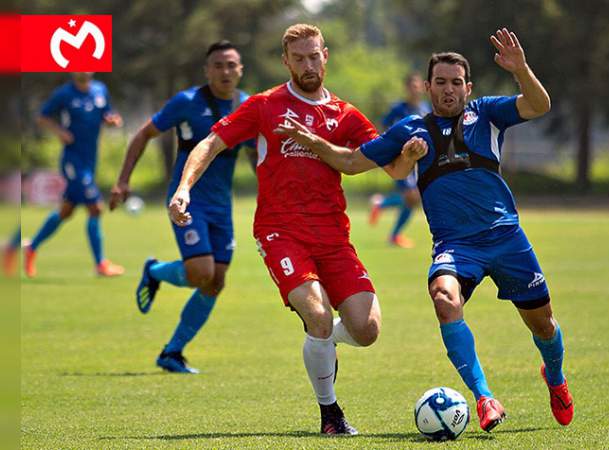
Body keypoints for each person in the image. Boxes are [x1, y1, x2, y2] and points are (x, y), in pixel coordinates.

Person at [275, 28, 574, 433]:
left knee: (543, 324)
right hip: (455, 246)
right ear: (428, 87)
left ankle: (555, 379)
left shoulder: (486, 113)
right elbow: (349, 162)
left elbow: (539, 105)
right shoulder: (410, 131)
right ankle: (484, 398)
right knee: (444, 299)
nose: (448, 90)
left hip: (506, 238)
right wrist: (315, 143)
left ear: (467, 87)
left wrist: (520, 69)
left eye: (455, 83)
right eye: (440, 82)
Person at [166, 24, 423, 435]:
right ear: (286, 61)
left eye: (313, 56)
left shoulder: (344, 114)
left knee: (367, 330)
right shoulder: (266, 105)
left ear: (326, 56)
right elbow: (211, 143)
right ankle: (331, 415)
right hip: (280, 231)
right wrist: (183, 188)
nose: (307, 64)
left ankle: (322, 341)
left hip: (334, 236)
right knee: (318, 315)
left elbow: (390, 167)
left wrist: (409, 156)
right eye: (298, 58)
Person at [109, 41, 256, 374]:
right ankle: (156, 271)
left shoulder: (247, 105)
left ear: (241, 69)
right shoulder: (187, 102)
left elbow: (252, 150)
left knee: (215, 282)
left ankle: (172, 352)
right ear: (207, 71)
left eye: (231, 64)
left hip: (222, 206)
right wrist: (123, 180)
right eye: (218, 65)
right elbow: (143, 134)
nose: (225, 71)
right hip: (186, 200)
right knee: (201, 273)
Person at [24, 72, 124, 277]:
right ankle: (101, 265)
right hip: (72, 160)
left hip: (90, 159)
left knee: (66, 210)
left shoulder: (100, 90)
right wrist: (60, 132)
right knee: (95, 208)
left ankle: (32, 247)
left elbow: (107, 114)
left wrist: (112, 120)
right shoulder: (64, 94)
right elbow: (42, 117)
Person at [368, 73, 431, 248]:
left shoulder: (425, 109)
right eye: (412, 86)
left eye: (418, 86)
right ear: (407, 88)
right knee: (412, 196)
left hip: (419, 159)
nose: (415, 89)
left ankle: (381, 205)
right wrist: (387, 151)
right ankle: (393, 233)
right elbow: (382, 128)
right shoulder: (399, 109)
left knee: (412, 199)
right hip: (402, 158)